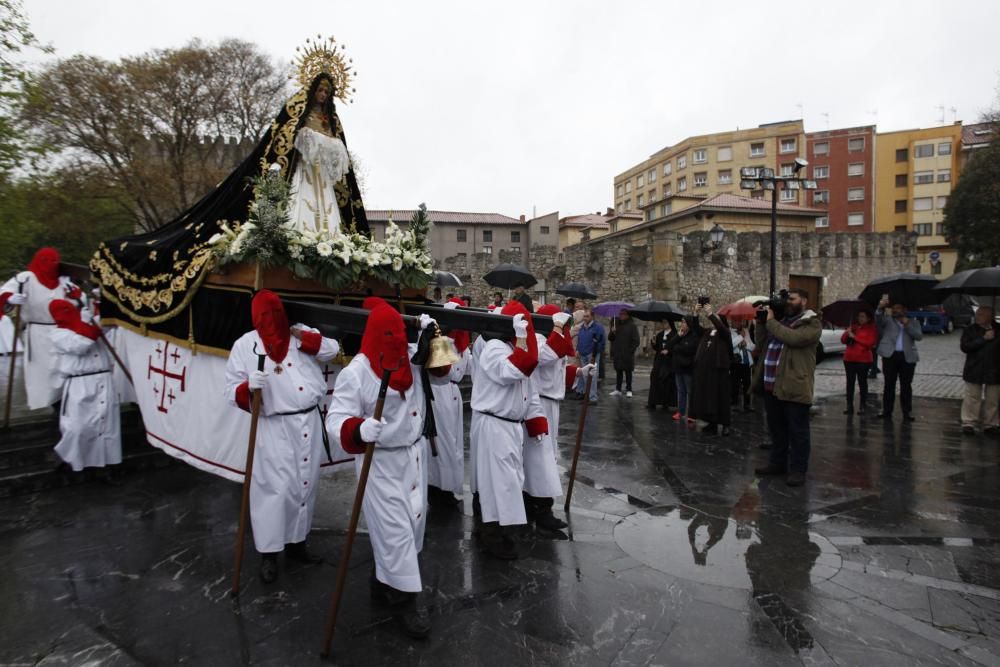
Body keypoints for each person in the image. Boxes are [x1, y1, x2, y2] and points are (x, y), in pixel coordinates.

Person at [326, 300, 445, 638]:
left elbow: (447, 371)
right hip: (379, 461)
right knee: (395, 532)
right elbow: (335, 419)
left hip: (413, 455)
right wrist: (358, 429)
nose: (396, 341)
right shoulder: (357, 371)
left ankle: (382, 580)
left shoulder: (410, 355)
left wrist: (435, 335)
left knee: (413, 524)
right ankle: (405, 602)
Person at [224, 290, 340, 584]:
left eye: (275, 314)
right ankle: (269, 553)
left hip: (308, 421)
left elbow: (332, 349)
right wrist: (248, 388)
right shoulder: (245, 345)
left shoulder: (301, 334)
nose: (271, 321)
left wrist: (306, 339)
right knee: (274, 490)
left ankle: (298, 542)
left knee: (305, 484)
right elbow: (230, 390)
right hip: (274, 426)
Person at [469, 302, 547, 559]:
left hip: (510, 426)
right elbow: (514, 370)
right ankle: (491, 535)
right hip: (494, 424)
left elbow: (527, 386)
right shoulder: (494, 348)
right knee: (495, 483)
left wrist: (534, 417)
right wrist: (524, 339)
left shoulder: (512, 347)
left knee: (508, 481)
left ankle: (500, 530)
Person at [752, 289, 821, 487]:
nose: (788, 302)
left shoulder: (812, 323)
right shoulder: (781, 323)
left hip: (795, 385)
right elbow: (761, 343)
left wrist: (771, 322)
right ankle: (777, 463)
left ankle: (798, 469)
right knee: (777, 429)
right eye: (787, 299)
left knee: (798, 431)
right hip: (772, 385)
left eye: (792, 299)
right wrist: (761, 322)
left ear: (804, 300)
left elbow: (794, 339)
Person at [1, 247, 83, 410]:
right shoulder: (26, 279)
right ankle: (52, 404)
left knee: (64, 370)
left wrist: (75, 296)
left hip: (63, 331)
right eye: (47, 261)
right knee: (43, 372)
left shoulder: (63, 281)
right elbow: (5, 291)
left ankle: (65, 404)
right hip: (38, 334)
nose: (51, 265)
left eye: (54, 261)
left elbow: (78, 303)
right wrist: (9, 298)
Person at [48, 299, 121, 476]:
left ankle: (104, 467)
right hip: (80, 384)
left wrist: (103, 307)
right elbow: (80, 344)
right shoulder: (58, 334)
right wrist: (89, 323)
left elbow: (110, 324)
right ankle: (70, 457)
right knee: (78, 426)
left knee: (106, 425)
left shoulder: (89, 323)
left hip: (104, 378)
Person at [523, 304, 578, 530]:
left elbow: (557, 368)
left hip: (551, 402)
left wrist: (580, 372)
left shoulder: (551, 340)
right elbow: (545, 358)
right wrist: (557, 328)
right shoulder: (537, 339)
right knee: (540, 457)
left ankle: (537, 503)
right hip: (539, 402)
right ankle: (540, 505)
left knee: (547, 454)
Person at [426, 298, 470, 506]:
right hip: (439, 393)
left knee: (454, 443)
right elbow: (443, 371)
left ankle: (450, 485)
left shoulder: (462, 343)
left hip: (453, 395)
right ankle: (437, 486)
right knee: (441, 442)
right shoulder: (439, 341)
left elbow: (465, 370)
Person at [875, 298, 923, 421]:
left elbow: (918, 336)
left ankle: (907, 412)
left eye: (899, 308)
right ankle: (887, 410)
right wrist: (880, 307)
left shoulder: (913, 322)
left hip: (907, 357)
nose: (896, 310)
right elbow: (878, 319)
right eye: (894, 308)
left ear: (904, 310)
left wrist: (906, 324)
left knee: (906, 385)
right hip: (890, 356)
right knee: (889, 384)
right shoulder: (887, 320)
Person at [690, 305, 732, 435]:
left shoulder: (725, 333)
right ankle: (711, 423)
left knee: (721, 398)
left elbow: (721, 327)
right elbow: (696, 329)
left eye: (718, 319)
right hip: (706, 372)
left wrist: (711, 314)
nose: (714, 321)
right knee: (709, 399)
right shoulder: (708, 332)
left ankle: (725, 425)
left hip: (719, 372)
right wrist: (695, 313)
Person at [960, 306, 1000, 435]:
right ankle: (969, 422)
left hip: (994, 369)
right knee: (972, 397)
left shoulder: (998, 329)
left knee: (993, 399)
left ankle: (991, 423)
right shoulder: (970, 330)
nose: (978, 316)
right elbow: (965, 347)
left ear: (990, 316)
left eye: (981, 314)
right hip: (974, 368)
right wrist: (983, 339)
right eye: (977, 313)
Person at [841, 310, 878, 415]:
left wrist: (855, 337)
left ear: (868, 318)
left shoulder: (871, 329)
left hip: (863, 360)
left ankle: (862, 405)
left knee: (862, 382)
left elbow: (869, 343)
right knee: (850, 382)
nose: (860, 318)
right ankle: (849, 405)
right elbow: (843, 340)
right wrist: (847, 332)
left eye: (863, 316)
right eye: (859, 316)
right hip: (849, 359)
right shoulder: (854, 327)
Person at [669, 315, 701, 422]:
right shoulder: (680, 335)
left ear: (689, 324)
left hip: (688, 368)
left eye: (684, 322)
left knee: (690, 392)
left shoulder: (694, 336)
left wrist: (677, 348)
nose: (681, 324)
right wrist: (678, 337)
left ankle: (692, 413)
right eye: (681, 322)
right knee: (681, 391)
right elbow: (670, 346)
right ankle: (680, 412)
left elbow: (689, 349)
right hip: (678, 368)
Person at [572, 308, 605, 404]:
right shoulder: (583, 326)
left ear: (592, 316)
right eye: (584, 316)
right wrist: (578, 349)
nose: (585, 318)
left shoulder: (598, 327)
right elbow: (580, 338)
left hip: (592, 354)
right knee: (584, 375)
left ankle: (592, 397)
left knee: (592, 376)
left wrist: (595, 352)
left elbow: (601, 342)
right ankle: (583, 394)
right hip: (583, 353)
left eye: (587, 316)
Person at [609, 309, 640, 397]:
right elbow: (610, 338)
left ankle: (629, 389)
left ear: (628, 315)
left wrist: (631, 350)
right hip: (618, 352)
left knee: (628, 372)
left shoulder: (632, 326)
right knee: (618, 371)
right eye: (620, 314)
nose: (621, 316)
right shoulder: (616, 325)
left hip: (627, 353)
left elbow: (636, 340)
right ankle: (618, 389)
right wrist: (613, 332)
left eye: (623, 314)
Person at [647, 320, 677, 410]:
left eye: (665, 322)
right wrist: (653, 343)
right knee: (655, 378)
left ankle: (665, 403)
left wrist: (669, 351)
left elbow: (675, 347)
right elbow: (657, 348)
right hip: (659, 361)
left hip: (668, 361)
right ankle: (653, 402)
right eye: (662, 322)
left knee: (666, 382)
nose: (663, 324)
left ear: (670, 323)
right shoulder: (660, 334)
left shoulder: (675, 334)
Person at [730, 322, 755, 412]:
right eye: (736, 320)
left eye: (740, 320)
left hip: (746, 361)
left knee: (747, 384)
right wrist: (740, 337)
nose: (738, 322)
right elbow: (731, 345)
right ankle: (734, 403)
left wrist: (746, 345)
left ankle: (747, 404)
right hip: (736, 362)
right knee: (735, 384)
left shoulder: (746, 331)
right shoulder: (730, 332)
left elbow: (752, 346)